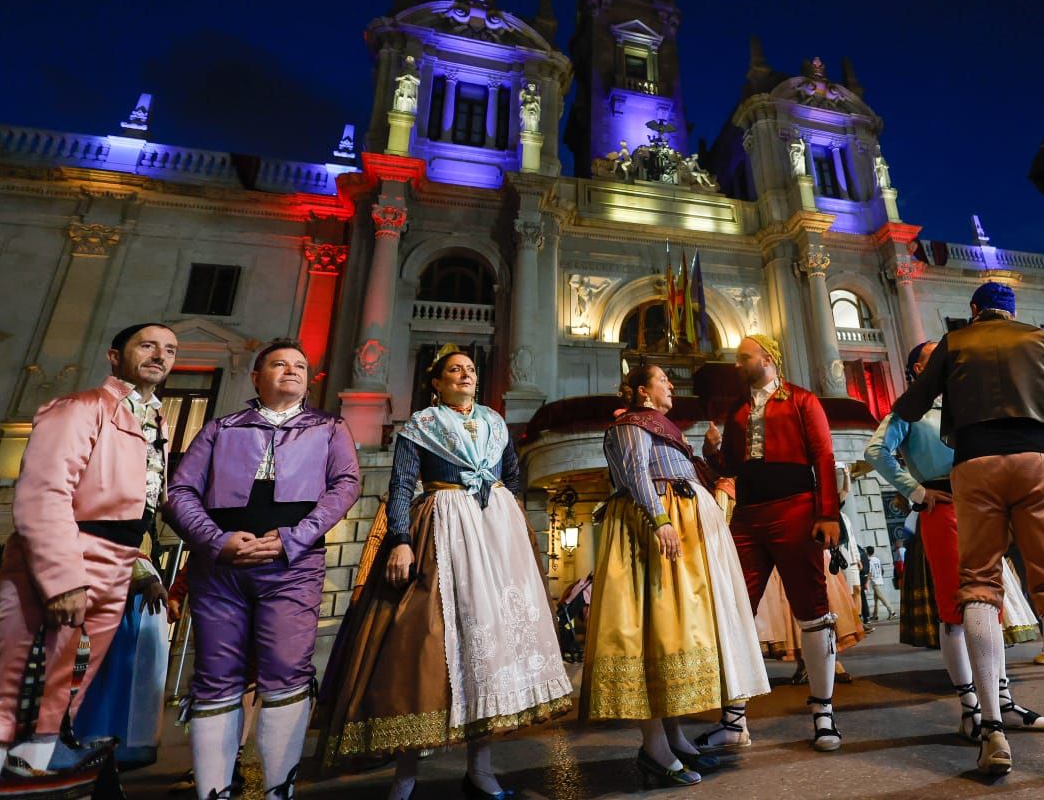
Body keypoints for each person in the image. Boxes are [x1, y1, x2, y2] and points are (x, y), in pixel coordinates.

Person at [315, 346, 571, 800]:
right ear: (437, 382)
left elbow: (512, 474)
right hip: (444, 527)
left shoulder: (495, 424)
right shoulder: (422, 426)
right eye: (455, 370)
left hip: (495, 535)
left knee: (493, 653)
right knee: (425, 645)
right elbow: (400, 486)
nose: (466, 374)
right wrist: (400, 540)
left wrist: (505, 515)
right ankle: (405, 779)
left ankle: (481, 769)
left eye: (471, 369)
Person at [892, 283, 1044, 782]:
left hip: (973, 467)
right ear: (1012, 312)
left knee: (977, 587)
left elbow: (909, 408)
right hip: (1037, 460)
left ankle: (991, 732)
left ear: (973, 312)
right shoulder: (1042, 338)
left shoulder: (953, 344)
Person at [164, 339, 361, 799]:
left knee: (287, 671)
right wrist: (216, 541)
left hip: (293, 566)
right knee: (215, 674)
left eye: (300, 366)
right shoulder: (220, 428)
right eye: (279, 364)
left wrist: (293, 537)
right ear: (256, 376)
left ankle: (279, 791)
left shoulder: (330, 428)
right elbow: (178, 492)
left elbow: (346, 485)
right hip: (219, 568)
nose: (291, 371)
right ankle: (213, 791)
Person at [580, 363, 769, 788]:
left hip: (679, 528)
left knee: (674, 635)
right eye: (663, 379)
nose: (670, 384)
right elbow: (635, 475)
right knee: (651, 631)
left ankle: (674, 736)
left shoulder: (661, 425)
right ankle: (654, 748)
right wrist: (661, 519)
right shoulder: (630, 424)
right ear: (643, 391)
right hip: (651, 530)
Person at [0, 323, 176, 775]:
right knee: (20, 668)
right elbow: (44, 492)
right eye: (148, 345)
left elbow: (139, 501)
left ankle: (40, 758)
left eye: (170, 349)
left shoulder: (155, 420)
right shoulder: (81, 407)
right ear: (115, 356)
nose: (160, 354)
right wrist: (62, 578)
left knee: (73, 672)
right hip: (69, 550)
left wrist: (136, 561)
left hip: (116, 559)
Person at [867, 341, 1044, 741]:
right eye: (935, 358)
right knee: (957, 608)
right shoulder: (911, 409)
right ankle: (972, 707)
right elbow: (876, 451)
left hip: (985, 503)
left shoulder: (967, 400)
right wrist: (916, 491)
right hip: (946, 504)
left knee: (992, 603)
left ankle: (1001, 702)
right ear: (918, 369)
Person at [698, 334, 844, 753]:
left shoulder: (803, 400)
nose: (737, 364)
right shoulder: (738, 412)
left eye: (744, 357)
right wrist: (711, 454)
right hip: (748, 515)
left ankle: (823, 713)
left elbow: (824, 456)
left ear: (767, 358)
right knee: (736, 607)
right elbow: (729, 467)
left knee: (812, 610)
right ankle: (733, 720)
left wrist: (828, 513)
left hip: (796, 508)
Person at [70, 550, 169, 769]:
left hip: (121, 576)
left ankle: (109, 743)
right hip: (104, 574)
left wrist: (141, 575)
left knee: (119, 672)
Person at [863, 548, 895, 621]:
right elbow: (882, 569)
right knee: (876, 599)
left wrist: (867, 582)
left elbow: (870, 572)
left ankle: (892, 611)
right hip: (879, 579)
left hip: (875, 581)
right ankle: (875, 615)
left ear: (867, 552)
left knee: (882, 597)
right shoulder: (877, 559)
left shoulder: (869, 561)